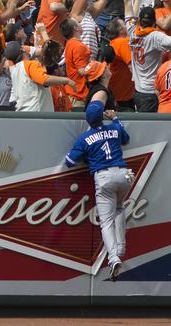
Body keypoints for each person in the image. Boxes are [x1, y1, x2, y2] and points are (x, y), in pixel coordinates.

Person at [63, 99, 133, 281]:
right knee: (119, 208)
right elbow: (126, 139)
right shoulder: (115, 128)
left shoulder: (85, 138)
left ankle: (114, 258)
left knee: (106, 222)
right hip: (124, 175)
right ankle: (120, 248)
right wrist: (115, 118)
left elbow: (69, 163)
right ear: (102, 116)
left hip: (104, 178)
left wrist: (84, 153)